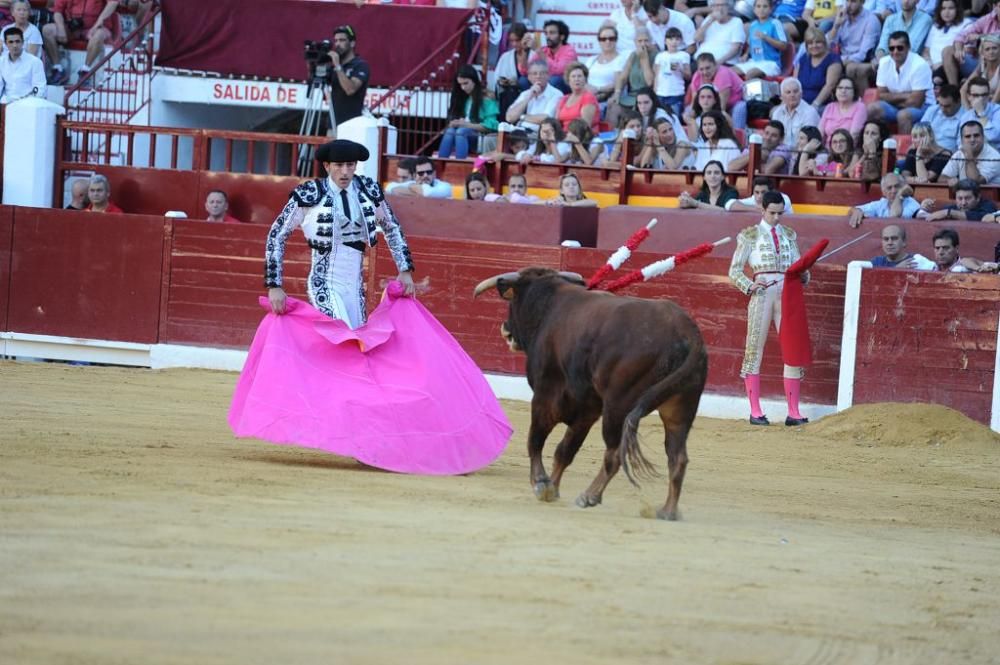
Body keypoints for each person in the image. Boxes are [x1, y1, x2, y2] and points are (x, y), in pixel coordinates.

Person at [265, 139, 414, 326]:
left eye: (350, 165)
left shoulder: (368, 191)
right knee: (342, 334)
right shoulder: (310, 194)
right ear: (327, 166)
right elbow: (277, 235)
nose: (345, 171)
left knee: (356, 341)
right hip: (324, 282)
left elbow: (391, 227)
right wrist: (274, 285)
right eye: (338, 165)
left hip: (355, 287)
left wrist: (405, 269)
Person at [728, 190, 809, 427]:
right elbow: (734, 270)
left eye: (780, 213)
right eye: (772, 213)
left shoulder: (789, 235)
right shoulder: (749, 235)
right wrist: (750, 285)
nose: (776, 218)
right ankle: (755, 411)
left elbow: (799, 266)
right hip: (762, 294)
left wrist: (805, 276)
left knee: (792, 349)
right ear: (762, 210)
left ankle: (793, 413)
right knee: (754, 348)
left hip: (788, 294)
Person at [867, 31, 932, 134]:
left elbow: (916, 102)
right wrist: (907, 95)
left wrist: (892, 98)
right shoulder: (884, 62)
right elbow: (882, 95)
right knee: (872, 108)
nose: (895, 51)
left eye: (900, 48)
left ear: (908, 47)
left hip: (924, 107)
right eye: (892, 48)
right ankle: (873, 146)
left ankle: (904, 149)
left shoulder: (920, 65)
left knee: (903, 115)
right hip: (896, 106)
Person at [42, 0, 119, 86]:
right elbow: (57, 11)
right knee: (47, 30)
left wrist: (97, 25)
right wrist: (60, 27)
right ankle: (58, 69)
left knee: (99, 35)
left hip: (97, 27)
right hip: (73, 27)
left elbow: (113, 3)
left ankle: (86, 71)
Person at [438, 65, 499, 159]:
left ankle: (460, 164)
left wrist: (466, 125)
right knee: (450, 131)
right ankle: (440, 163)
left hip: (480, 137)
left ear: (474, 80)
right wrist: (456, 123)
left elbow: (492, 125)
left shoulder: (487, 98)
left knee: (461, 132)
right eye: (460, 84)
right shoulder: (464, 98)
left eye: (466, 83)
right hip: (464, 134)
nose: (463, 87)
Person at [828, 0, 881, 96]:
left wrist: (840, 61)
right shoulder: (843, 18)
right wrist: (836, 26)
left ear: (862, 2)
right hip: (843, 59)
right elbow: (828, 46)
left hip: (867, 61)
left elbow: (864, 54)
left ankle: (861, 103)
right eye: (847, 1)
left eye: (853, 2)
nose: (848, 5)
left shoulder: (871, 20)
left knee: (850, 68)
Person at [606, 27, 657, 128]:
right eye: (640, 41)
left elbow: (650, 82)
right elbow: (623, 77)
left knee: (638, 107)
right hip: (631, 96)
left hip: (647, 96)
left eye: (646, 40)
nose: (643, 44)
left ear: (651, 41)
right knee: (613, 106)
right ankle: (612, 138)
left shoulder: (656, 56)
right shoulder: (633, 55)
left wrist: (644, 60)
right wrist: (617, 93)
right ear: (635, 42)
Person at [942, 0, 1000, 87]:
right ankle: (954, 91)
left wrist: (981, 36)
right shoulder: (987, 19)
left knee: (990, 49)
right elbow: (961, 36)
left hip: (995, 64)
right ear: (995, 7)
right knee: (947, 51)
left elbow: (995, 38)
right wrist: (959, 49)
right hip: (979, 63)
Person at [687, 52, 747, 128]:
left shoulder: (723, 74)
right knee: (687, 111)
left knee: (740, 108)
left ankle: (738, 136)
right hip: (710, 104)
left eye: (708, 68)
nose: (705, 72)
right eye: (701, 69)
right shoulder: (697, 76)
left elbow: (721, 106)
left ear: (715, 65)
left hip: (733, 104)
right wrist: (690, 116)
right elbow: (694, 102)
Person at [325, 25, 370, 126]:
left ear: (352, 43)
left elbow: (350, 90)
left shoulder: (360, 65)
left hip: (352, 125)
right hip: (333, 123)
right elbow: (317, 84)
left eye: (342, 40)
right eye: (336, 41)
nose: (337, 44)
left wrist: (337, 66)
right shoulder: (334, 65)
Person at [505, 60, 563, 133]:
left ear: (548, 76)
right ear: (529, 77)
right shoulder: (526, 93)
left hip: (538, 135)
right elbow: (509, 117)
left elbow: (546, 119)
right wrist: (529, 97)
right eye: (534, 74)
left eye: (542, 73)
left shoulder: (556, 94)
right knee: (490, 139)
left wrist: (521, 117)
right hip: (520, 131)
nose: (538, 76)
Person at [736, 0, 788, 81]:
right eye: (758, 6)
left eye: (765, 6)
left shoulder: (775, 23)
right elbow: (751, 44)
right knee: (730, 71)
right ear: (754, 9)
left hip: (771, 64)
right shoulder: (753, 25)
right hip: (754, 61)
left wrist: (766, 38)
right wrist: (746, 54)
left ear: (771, 9)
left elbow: (783, 46)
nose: (761, 9)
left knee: (751, 74)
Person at [847, 171, 921, 226]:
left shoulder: (911, 203)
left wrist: (899, 197)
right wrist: (857, 211)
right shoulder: (881, 203)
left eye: (897, 186)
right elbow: (851, 210)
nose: (894, 191)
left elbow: (894, 217)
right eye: (889, 188)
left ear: (903, 186)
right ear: (883, 192)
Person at [939, 120, 1000, 185]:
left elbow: (975, 182)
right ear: (962, 140)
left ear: (983, 137)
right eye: (968, 136)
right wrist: (949, 180)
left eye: (976, 135)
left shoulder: (994, 157)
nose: (972, 140)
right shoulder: (959, 154)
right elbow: (941, 179)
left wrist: (969, 158)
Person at [793, 27, 842, 108]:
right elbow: (794, 83)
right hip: (800, 103)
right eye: (810, 43)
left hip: (822, 105)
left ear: (824, 43)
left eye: (818, 42)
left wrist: (814, 105)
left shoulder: (833, 59)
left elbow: (830, 86)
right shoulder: (803, 58)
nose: (814, 45)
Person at [586, 24, 629, 109]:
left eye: (611, 38)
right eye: (603, 39)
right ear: (599, 41)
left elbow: (619, 83)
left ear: (616, 40)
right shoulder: (591, 60)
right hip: (588, 98)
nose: (607, 41)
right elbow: (583, 81)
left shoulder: (621, 59)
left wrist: (598, 89)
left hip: (609, 99)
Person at [769, 78, 821, 148]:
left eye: (795, 91)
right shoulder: (777, 112)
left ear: (801, 94)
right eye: (788, 92)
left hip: (801, 153)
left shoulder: (810, 113)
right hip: (780, 151)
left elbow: (808, 142)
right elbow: (773, 136)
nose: (792, 95)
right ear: (781, 97)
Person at [495, 22, 532, 118]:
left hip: (529, 94)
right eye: (512, 41)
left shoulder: (534, 54)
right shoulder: (505, 56)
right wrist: (503, 81)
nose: (514, 44)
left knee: (522, 82)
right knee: (507, 92)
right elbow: (498, 77)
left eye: (518, 40)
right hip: (510, 93)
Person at [530, 19, 578, 93]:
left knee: (554, 80)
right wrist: (524, 51)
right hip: (546, 81)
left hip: (566, 85)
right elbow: (528, 69)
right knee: (523, 80)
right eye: (546, 33)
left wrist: (539, 51)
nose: (547, 36)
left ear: (562, 37)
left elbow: (557, 71)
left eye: (551, 33)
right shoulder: (544, 50)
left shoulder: (569, 51)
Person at [727, 119, 793, 174]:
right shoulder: (755, 145)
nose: (768, 138)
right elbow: (731, 167)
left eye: (774, 135)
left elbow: (768, 171)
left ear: (781, 139)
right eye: (766, 133)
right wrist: (756, 154)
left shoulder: (784, 149)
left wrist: (748, 165)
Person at [694, 0, 746, 67]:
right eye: (716, 5)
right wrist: (710, 21)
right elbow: (696, 38)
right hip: (700, 61)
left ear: (728, 7)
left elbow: (736, 49)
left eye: (723, 5)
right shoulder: (709, 19)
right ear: (712, 8)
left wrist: (718, 62)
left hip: (723, 63)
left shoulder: (736, 22)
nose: (720, 8)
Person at [917, 178, 998, 221]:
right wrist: (924, 209)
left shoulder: (988, 205)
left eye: (968, 198)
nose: (963, 203)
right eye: (959, 198)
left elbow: (982, 217)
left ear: (978, 197)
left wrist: (949, 213)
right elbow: (931, 217)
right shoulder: (951, 208)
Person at [922, 0, 971, 70]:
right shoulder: (935, 26)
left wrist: (942, 64)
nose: (946, 12)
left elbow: (967, 51)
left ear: (957, 9)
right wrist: (930, 64)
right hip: (931, 66)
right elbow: (926, 50)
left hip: (952, 67)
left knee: (937, 79)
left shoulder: (966, 24)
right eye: (943, 8)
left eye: (951, 8)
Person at [653, 27, 690, 115]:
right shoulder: (660, 56)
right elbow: (657, 74)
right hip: (661, 93)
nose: (674, 42)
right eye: (671, 39)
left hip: (676, 92)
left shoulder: (684, 55)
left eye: (677, 39)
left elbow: (688, 75)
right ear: (665, 41)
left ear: (680, 41)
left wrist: (680, 69)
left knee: (675, 118)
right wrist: (655, 90)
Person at [0, 27, 44, 103]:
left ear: (23, 42)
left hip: (28, 104)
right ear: (5, 44)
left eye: (17, 41)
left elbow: (40, 89)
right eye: (11, 42)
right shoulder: (1, 61)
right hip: (6, 104)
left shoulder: (35, 62)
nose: (15, 45)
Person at [818, 76, 866, 144]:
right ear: (835, 91)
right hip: (826, 150)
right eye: (840, 88)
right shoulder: (830, 107)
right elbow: (820, 133)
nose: (843, 91)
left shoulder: (860, 107)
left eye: (848, 88)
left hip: (848, 150)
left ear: (854, 91)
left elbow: (854, 135)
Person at [555, 61, 599, 133]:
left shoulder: (588, 97)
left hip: (581, 137)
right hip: (563, 136)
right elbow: (556, 122)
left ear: (585, 79)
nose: (576, 79)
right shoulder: (564, 99)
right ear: (568, 80)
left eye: (579, 76)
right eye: (573, 76)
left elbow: (585, 126)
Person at [958, 76, 1000, 149]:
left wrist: (981, 113)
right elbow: (960, 143)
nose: (980, 99)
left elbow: (993, 136)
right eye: (976, 95)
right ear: (968, 96)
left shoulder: (997, 111)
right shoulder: (966, 116)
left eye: (984, 95)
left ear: (989, 95)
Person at [870, 223, 934, 268]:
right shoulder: (876, 262)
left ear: (904, 242)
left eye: (894, 238)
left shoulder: (916, 261)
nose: (889, 243)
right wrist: (896, 269)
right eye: (886, 239)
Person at [921, 82, 962, 151]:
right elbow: (920, 132)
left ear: (958, 101)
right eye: (940, 105)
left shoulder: (966, 117)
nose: (943, 109)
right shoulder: (932, 110)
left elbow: (961, 149)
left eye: (947, 106)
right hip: (925, 151)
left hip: (947, 157)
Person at [389, 156, 454, 198]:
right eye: (421, 173)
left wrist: (412, 188)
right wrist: (413, 187)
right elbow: (390, 188)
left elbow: (428, 193)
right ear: (414, 176)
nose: (425, 175)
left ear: (434, 173)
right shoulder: (411, 183)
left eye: (429, 172)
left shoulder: (445, 186)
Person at [725, 175, 795, 212]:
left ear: (771, 191)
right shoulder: (753, 200)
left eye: (763, 192)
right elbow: (729, 204)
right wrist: (754, 209)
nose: (759, 196)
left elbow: (773, 208)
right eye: (757, 192)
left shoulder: (783, 198)